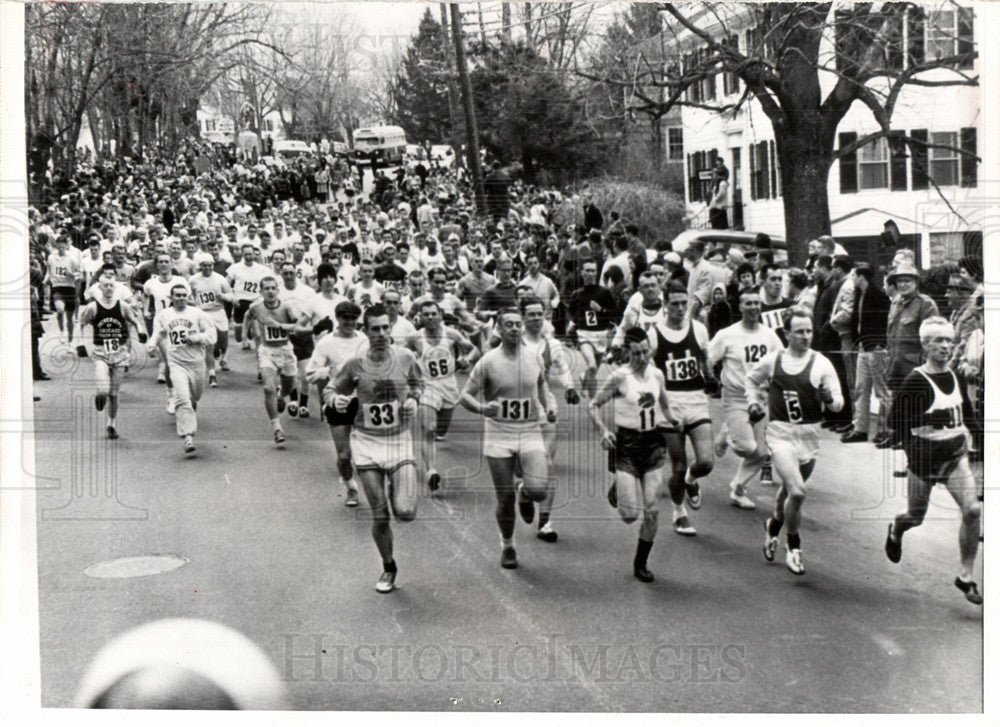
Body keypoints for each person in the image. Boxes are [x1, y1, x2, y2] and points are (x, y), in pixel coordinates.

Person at [884, 317, 982, 605]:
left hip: (953, 453)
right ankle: (896, 529)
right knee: (915, 516)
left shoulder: (956, 375)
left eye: (949, 340)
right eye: (939, 340)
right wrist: (926, 422)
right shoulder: (916, 381)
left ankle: (966, 576)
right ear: (925, 345)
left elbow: (968, 414)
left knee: (973, 510)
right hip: (924, 456)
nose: (946, 346)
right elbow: (894, 422)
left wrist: (982, 438)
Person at [326, 304, 423, 593]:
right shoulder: (355, 364)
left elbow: (419, 384)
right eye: (375, 328)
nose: (381, 333)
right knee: (380, 515)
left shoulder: (406, 357)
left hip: (398, 442)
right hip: (367, 444)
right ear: (365, 331)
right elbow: (331, 390)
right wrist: (336, 401)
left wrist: (414, 400)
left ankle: (399, 485)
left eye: (385, 327)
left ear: (390, 328)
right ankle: (389, 567)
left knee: (405, 512)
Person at [747, 308, 843, 575]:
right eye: (799, 331)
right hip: (780, 435)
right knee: (798, 492)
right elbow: (751, 380)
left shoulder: (822, 363)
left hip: (809, 436)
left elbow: (838, 405)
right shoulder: (773, 360)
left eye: (809, 331)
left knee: (790, 493)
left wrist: (827, 399)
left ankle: (773, 527)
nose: (805, 336)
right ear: (786, 333)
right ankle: (794, 546)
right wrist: (753, 402)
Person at [460, 308, 556, 569]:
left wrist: (549, 404)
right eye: (509, 325)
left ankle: (524, 493)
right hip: (499, 433)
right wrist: (481, 408)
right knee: (504, 500)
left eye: (518, 324)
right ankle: (508, 545)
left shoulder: (534, 356)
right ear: (499, 330)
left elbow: (542, 383)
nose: (515, 329)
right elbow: (465, 395)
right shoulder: (488, 361)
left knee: (539, 489)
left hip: (529, 430)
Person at [589, 326, 678, 582]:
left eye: (646, 351)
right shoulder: (620, 377)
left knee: (652, 510)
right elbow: (593, 405)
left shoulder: (657, 375)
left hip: (652, 445)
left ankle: (641, 562)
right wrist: (604, 431)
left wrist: (674, 421)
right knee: (629, 516)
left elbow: (664, 403)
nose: (642, 357)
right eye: (637, 352)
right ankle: (619, 483)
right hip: (626, 445)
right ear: (628, 352)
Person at [708, 288, 784, 510]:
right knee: (747, 448)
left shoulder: (769, 335)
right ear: (740, 307)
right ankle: (730, 432)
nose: (753, 307)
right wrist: (710, 378)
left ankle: (738, 489)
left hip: (760, 398)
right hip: (735, 397)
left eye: (756, 303)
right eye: (748, 303)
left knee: (762, 452)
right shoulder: (727, 334)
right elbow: (708, 358)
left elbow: (781, 361)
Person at [651, 282, 715, 536]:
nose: (680, 308)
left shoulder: (698, 329)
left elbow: (705, 361)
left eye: (683, 303)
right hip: (669, 405)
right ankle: (679, 512)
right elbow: (645, 370)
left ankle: (691, 480)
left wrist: (711, 376)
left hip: (696, 400)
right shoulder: (654, 334)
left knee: (707, 462)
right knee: (678, 464)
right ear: (665, 304)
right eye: (674, 303)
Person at [518, 296, 581, 542]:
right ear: (522, 316)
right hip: (519, 411)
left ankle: (545, 522)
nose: (536, 318)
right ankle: (524, 492)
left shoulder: (551, 344)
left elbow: (563, 367)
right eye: (531, 314)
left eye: (539, 313)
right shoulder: (513, 341)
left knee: (546, 464)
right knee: (523, 467)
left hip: (545, 408)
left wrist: (569, 387)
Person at [409, 300, 479, 492]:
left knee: (440, 430)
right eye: (426, 314)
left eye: (434, 314)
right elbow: (402, 354)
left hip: (448, 385)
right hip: (428, 386)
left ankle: (431, 448)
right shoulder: (415, 337)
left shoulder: (451, 334)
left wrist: (467, 358)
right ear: (421, 317)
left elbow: (474, 349)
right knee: (429, 429)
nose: (430, 317)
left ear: (440, 315)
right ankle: (431, 471)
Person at [307, 301, 366, 506]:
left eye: (353, 318)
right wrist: (325, 372)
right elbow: (310, 373)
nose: (349, 322)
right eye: (345, 318)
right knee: (343, 455)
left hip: (362, 400)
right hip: (338, 401)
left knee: (365, 452)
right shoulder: (326, 343)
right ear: (337, 319)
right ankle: (350, 487)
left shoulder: (365, 341)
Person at [148, 284, 216, 456]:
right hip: (176, 362)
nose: (181, 298)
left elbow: (211, 334)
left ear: (188, 297)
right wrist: (151, 345)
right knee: (182, 399)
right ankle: (188, 437)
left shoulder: (197, 313)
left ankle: (190, 409)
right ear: (171, 298)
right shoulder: (164, 315)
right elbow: (158, 332)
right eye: (177, 295)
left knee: (195, 396)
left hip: (196, 363)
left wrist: (195, 338)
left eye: (184, 295)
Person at [78, 266, 145, 439]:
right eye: (105, 286)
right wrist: (79, 343)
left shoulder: (122, 306)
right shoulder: (93, 307)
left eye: (111, 286)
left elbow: (134, 320)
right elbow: (81, 323)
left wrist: (141, 331)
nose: (108, 289)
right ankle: (100, 397)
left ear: (115, 288)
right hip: (101, 352)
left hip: (120, 353)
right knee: (103, 390)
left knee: (114, 394)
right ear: (99, 288)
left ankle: (111, 424)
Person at [243, 277, 301, 445]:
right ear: (261, 292)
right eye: (266, 288)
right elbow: (248, 316)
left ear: (277, 290)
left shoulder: (287, 307)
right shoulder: (256, 307)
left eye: (272, 288)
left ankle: (282, 396)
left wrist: (281, 326)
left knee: (289, 386)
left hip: (286, 350)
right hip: (267, 351)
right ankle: (277, 428)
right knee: (268, 388)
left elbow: (298, 326)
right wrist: (244, 336)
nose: (269, 291)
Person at [843, 263, 891, 445]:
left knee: (881, 390)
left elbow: (884, 322)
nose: (852, 279)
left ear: (862, 276)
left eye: (854, 276)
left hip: (876, 347)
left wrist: (879, 344)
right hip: (863, 346)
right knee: (861, 388)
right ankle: (860, 429)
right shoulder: (858, 295)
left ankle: (885, 429)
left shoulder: (879, 296)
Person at [566, 260, 617, 398]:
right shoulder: (577, 294)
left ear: (597, 272)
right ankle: (593, 402)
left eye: (593, 270)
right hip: (584, 334)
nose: (590, 273)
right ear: (581, 272)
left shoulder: (604, 292)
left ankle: (585, 378)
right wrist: (572, 323)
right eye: (587, 270)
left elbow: (614, 313)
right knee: (592, 365)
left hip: (601, 335)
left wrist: (600, 309)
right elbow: (570, 312)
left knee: (592, 370)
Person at [189, 257, 234, 388]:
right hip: (203, 313)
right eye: (204, 266)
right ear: (200, 266)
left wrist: (223, 296)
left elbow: (231, 295)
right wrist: (193, 305)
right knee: (208, 344)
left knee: (223, 339)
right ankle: (212, 374)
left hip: (218, 312)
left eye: (210, 266)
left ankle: (221, 353)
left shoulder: (220, 279)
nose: (207, 268)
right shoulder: (193, 280)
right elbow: (188, 295)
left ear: (213, 266)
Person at [226, 243, 272, 350]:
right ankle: (247, 334)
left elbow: (268, 284)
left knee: (257, 329)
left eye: (250, 254)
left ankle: (260, 350)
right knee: (238, 337)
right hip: (240, 302)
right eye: (246, 254)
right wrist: (232, 297)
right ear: (242, 254)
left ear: (254, 254)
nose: (248, 256)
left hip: (256, 300)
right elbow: (225, 284)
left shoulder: (262, 269)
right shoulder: (235, 268)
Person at [707, 162, 730, 230]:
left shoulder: (722, 183)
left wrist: (715, 200)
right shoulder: (716, 184)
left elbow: (721, 194)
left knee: (720, 227)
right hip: (715, 208)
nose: (713, 177)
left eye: (714, 174)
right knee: (714, 226)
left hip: (719, 208)